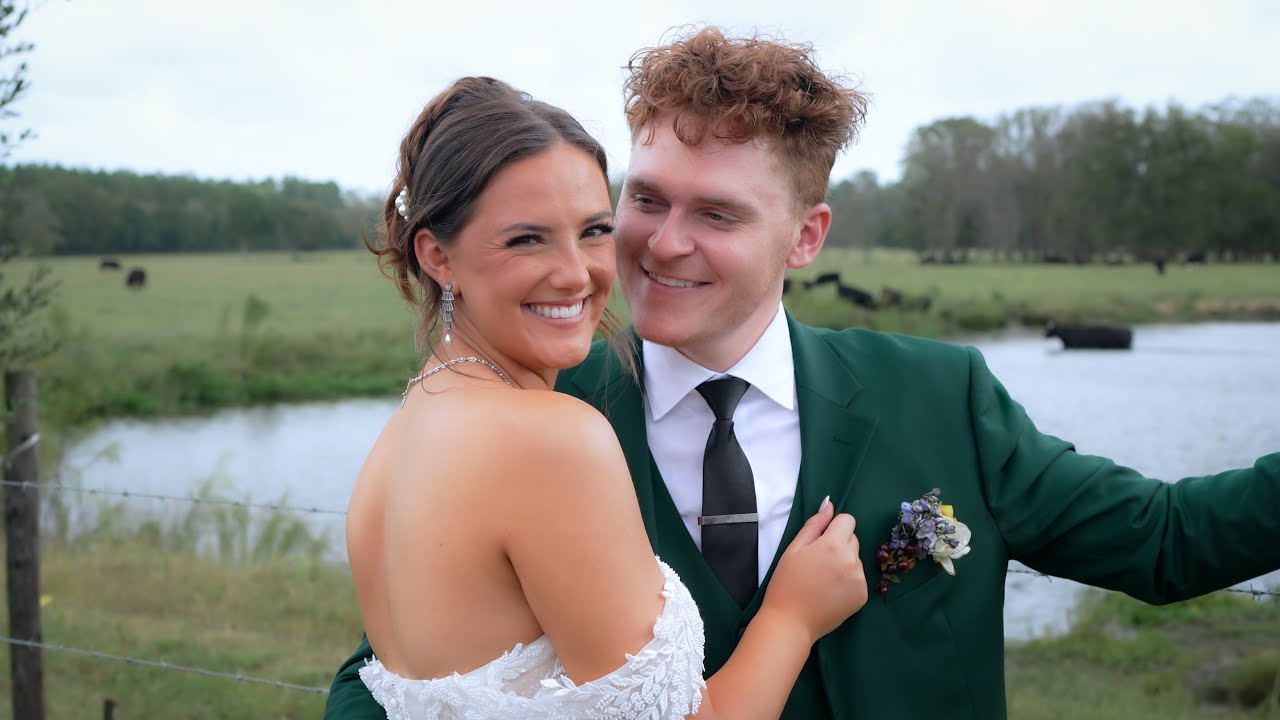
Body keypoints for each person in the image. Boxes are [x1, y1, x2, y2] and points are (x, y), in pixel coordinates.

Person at [328, 30, 1280, 720]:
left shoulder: (941, 396)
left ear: (806, 237)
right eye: (646, 199)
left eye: (719, 215)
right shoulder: (543, 415)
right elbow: (399, 676)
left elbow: (1166, 541)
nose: (662, 244)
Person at [340, 75, 868, 719]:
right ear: (438, 256)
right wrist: (791, 616)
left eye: (593, 231)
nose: (578, 272)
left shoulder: (412, 421)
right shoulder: (549, 437)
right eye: (526, 238)